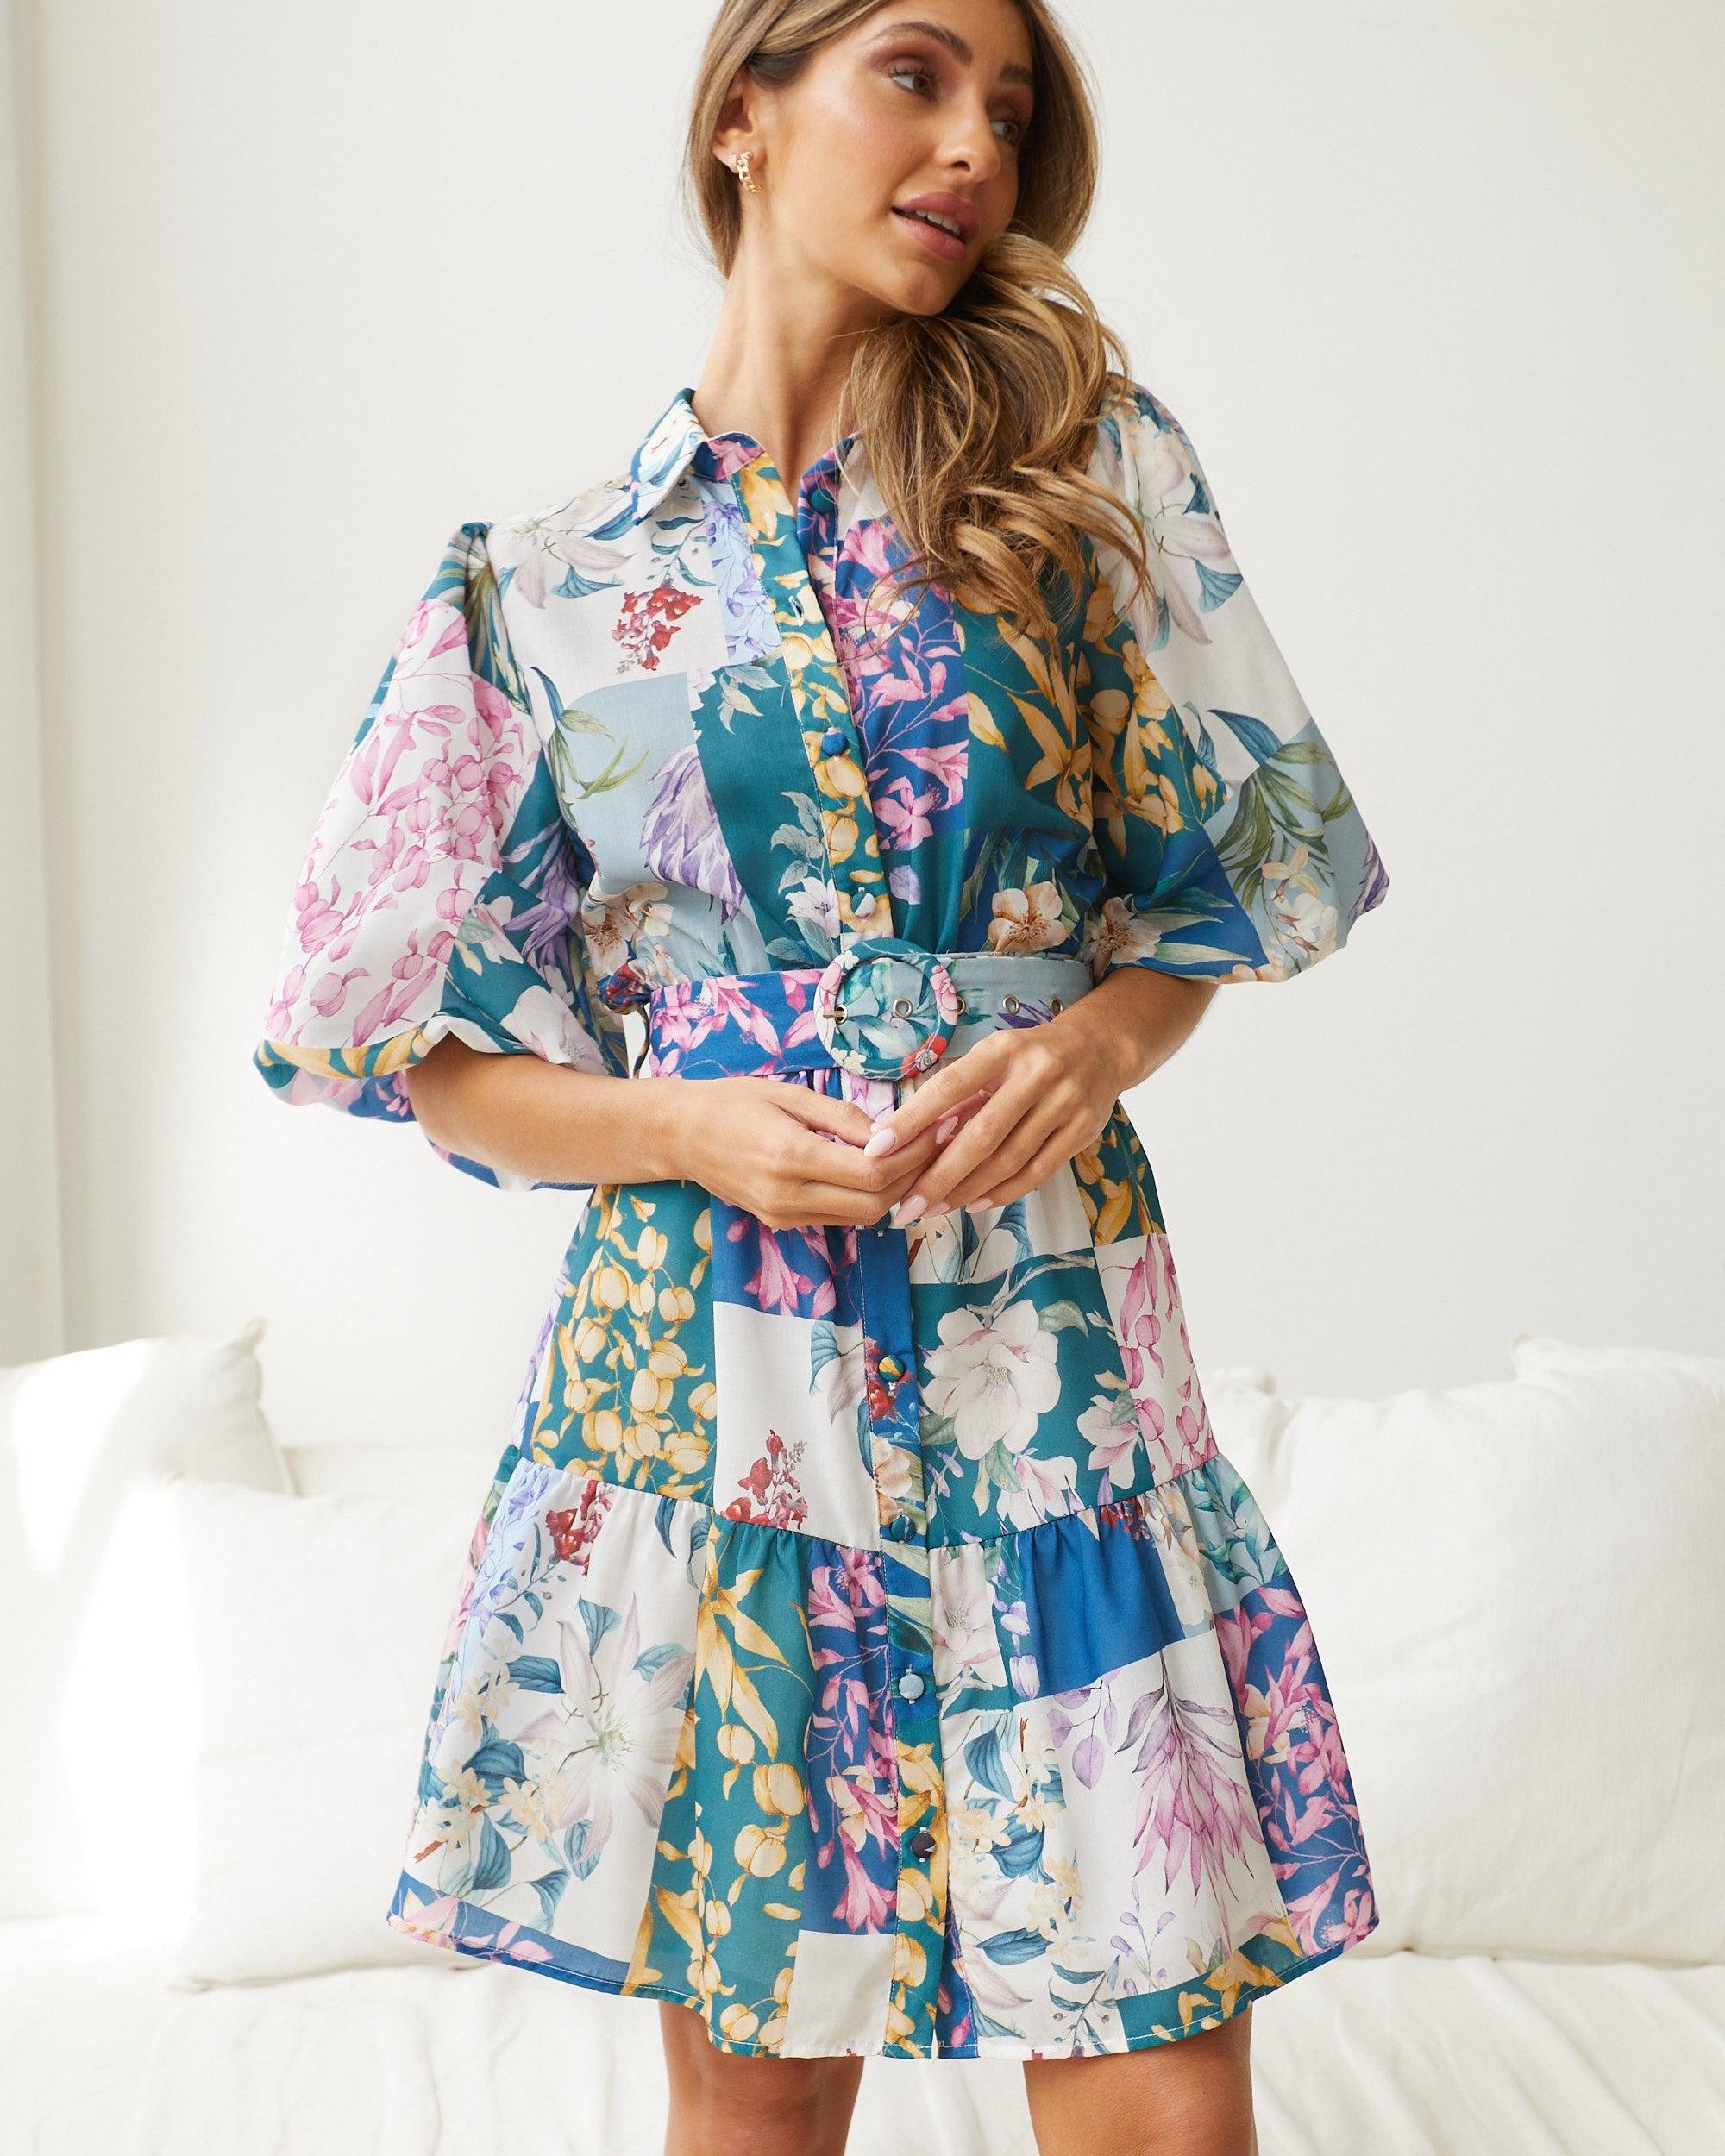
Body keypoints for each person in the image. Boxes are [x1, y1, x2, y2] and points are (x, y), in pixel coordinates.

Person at [253, 1, 1390, 2149]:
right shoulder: (546, 588)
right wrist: (678, 1123)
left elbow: (1215, 890)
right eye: (917, 77)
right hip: (714, 1381)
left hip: (1042, 1355)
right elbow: (430, 1058)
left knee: (1161, 2089)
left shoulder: (1079, 487)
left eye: (1010, 113)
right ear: (745, 114)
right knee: (763, 2097)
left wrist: (1090, 1042)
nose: (974, 148)